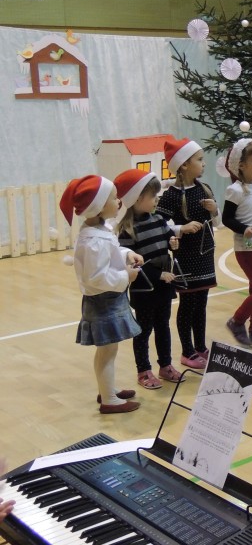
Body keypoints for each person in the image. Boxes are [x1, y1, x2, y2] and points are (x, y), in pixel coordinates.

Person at [60, 175, 143, 414]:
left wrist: (126, 254)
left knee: (108, 350)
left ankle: (108, 390)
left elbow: (111, 253)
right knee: (107, 351)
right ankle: (109, 400)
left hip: (108, 298)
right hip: (103, 301)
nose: (119, 201)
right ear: (97, 206)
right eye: (113, 198)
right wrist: (126, 276)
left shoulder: (99, 230)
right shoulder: (93, 240)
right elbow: (96, 277)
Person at [115, 169, 181, 389]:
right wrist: (158, 274)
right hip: (145, 290)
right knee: (143, 330)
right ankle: (143, 371)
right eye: (152, 196)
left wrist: (173, 242)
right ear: (137, 199)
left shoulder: (159, 220)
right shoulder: (127, 231)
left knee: (163, 326)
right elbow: (132, 264)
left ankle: (165, 365)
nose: (156, 200)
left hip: (163, 286)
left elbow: (169, 239)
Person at [156, 137, 218, 370]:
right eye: (199, 159)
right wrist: (181, 228)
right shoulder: (171, 195)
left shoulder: (204, 188)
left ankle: (200, 346)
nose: (204, 163)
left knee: (201, 303)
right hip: (187, 259)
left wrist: (215, 210)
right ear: (183, 164)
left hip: (205, 256)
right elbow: (159, 224)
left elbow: (216, 222)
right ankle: (187, 350)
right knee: (188, 304)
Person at [222, 138, 252, 350]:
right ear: (241, 165)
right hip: (247, 249)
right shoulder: (235, 190)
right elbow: (227, 219)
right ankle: (237, 321)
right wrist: (243, 229)